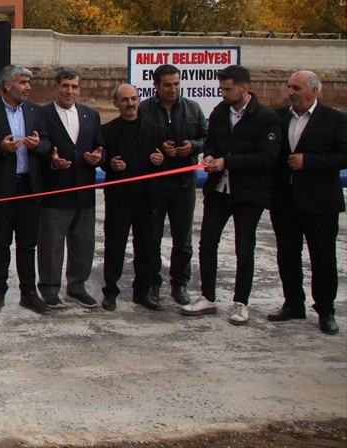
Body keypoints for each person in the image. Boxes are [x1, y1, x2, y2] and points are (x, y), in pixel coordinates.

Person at [181, 65, 280, 325]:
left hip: (249, 194)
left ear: (244, 87)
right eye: (221, 88)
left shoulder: (266, 117)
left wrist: (227, 162)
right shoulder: (219, 112)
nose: (222, 93)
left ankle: (240, 302)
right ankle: (208, 297)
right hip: (218, 191)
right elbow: (211, 141)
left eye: (228, 88)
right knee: (207, 243)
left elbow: (267, 157)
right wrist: (210, 155)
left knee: (244, 249)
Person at [267, 71, 347, 335]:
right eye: (289, 87)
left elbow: (343, 157)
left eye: (297, 87)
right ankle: (293, 304)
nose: (291, 92)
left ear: (314, 91)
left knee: (322, 259)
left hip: (320, 203)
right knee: (287, 256)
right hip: (284, 201)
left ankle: (325, 310)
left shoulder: (335, 119)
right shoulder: (278, 117)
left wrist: (308, 162)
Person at [0, 64, 52, 315]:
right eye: (23, 82)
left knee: (28, 245)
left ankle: (29, 293)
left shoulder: (36, 111)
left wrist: (38, 144)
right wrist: (0, 147)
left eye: (28, 82)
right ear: (7, 85)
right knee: (1, 243)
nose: (28, 87)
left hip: (30, 188)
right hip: (1, 188)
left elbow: (48, 145)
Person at [137, 64, 207, 305]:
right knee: (152, 237)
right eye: (167, 84)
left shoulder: (192, 108)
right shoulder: (144, 109)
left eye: (176, 83)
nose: (173, 88)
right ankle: (153, 284)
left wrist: (193, 146)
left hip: (184, 184)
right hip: (155, 184)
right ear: (156, 86)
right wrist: (156, 148)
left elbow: (206, 136)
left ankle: (179, 284)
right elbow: (136, 139)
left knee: (183, 239)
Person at [36, 69, 104, 309]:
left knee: (83, 244)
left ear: (80, 89)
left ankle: (77, 287)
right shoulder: (41, 114)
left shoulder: (91, 115)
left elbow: (99, 146)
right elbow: (38, 147)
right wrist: (50, 161)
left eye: (74, 87)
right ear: (55, 86)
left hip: (84, 191)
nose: (70, 91)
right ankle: (50, 288)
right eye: (65, 86)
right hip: (55, 190)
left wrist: (98, 156)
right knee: (51, 244)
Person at [99, 84, 166, 311]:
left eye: (134, 99)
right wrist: (110, 164)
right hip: (119, 200)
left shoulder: (154, 130)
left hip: (147, 199)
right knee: (115, 246)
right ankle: (110, 291)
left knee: (146, 247)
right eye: (125, 100)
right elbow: (101, 159)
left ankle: (142, 291)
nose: (130, 104)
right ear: (116, 103)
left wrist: (160, 161)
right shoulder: (107, 131)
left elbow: (162, 160)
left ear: (139, 100)